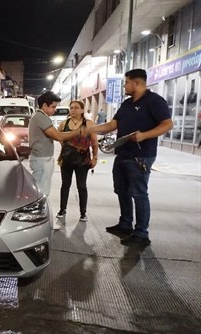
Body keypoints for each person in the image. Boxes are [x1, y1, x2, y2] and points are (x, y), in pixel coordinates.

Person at [87, 69, 173, 247]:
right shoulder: (127, 104)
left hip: (140, 156)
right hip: (122, 153)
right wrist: (92, 129)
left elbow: (167, 124)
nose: (124, 86)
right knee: (121, 190)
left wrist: (145, 135)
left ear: (137, 83)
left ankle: (141, 234)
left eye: (126, 82)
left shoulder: (154, 101)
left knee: (139, 194)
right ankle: (125, 224)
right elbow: (113, 124)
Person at [28, 90, 86, 197]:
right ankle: (41, 212)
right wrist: (78, 131)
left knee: (42, 189)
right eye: (53, 107)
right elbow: (58, 135)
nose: (55, 110)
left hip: (42, 158)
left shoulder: (41, 117)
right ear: (45, 105)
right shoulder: (40, 117)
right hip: (42, 159)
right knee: (41, 192)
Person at [56, 100, 99, 222]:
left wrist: (95, 158)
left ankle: (83, 213)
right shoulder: (64, 124)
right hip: (66, 160)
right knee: (65, 185)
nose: (73, 110)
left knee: (81, 186)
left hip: (83, 161)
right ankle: (62, 209)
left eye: (76, 108)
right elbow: (60, 139)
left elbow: (95, 143)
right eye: (71, 108)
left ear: (82, 110)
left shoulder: (89, 124)